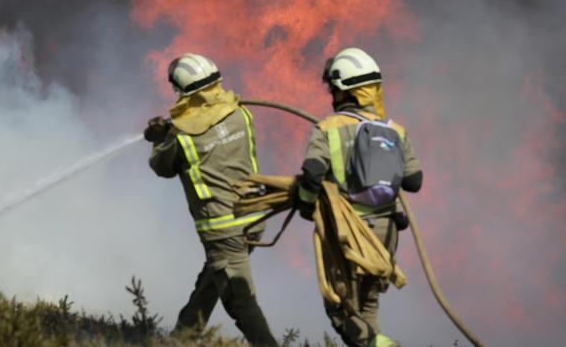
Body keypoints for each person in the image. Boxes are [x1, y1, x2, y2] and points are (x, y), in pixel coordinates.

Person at [144, 53, 279, 347]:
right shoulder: (241, 114)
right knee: (211, 282)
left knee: (239, 302)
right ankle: (181, 339)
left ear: (184, 93)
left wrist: (159, 137)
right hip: (254, 219)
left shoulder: (181, 137)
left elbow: (161, 166)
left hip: (223, 227)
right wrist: (172, 129)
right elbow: (211, 130)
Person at [292, 47, 423, 347]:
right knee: (368, 303)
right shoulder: (395, 131)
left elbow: (312, 173)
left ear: (343, 90)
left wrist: (304, 202)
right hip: (386, 233)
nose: (331, 96)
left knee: (340, 307)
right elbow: (414, 181)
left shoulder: (327, 128)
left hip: (347, 233)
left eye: (333, 90)